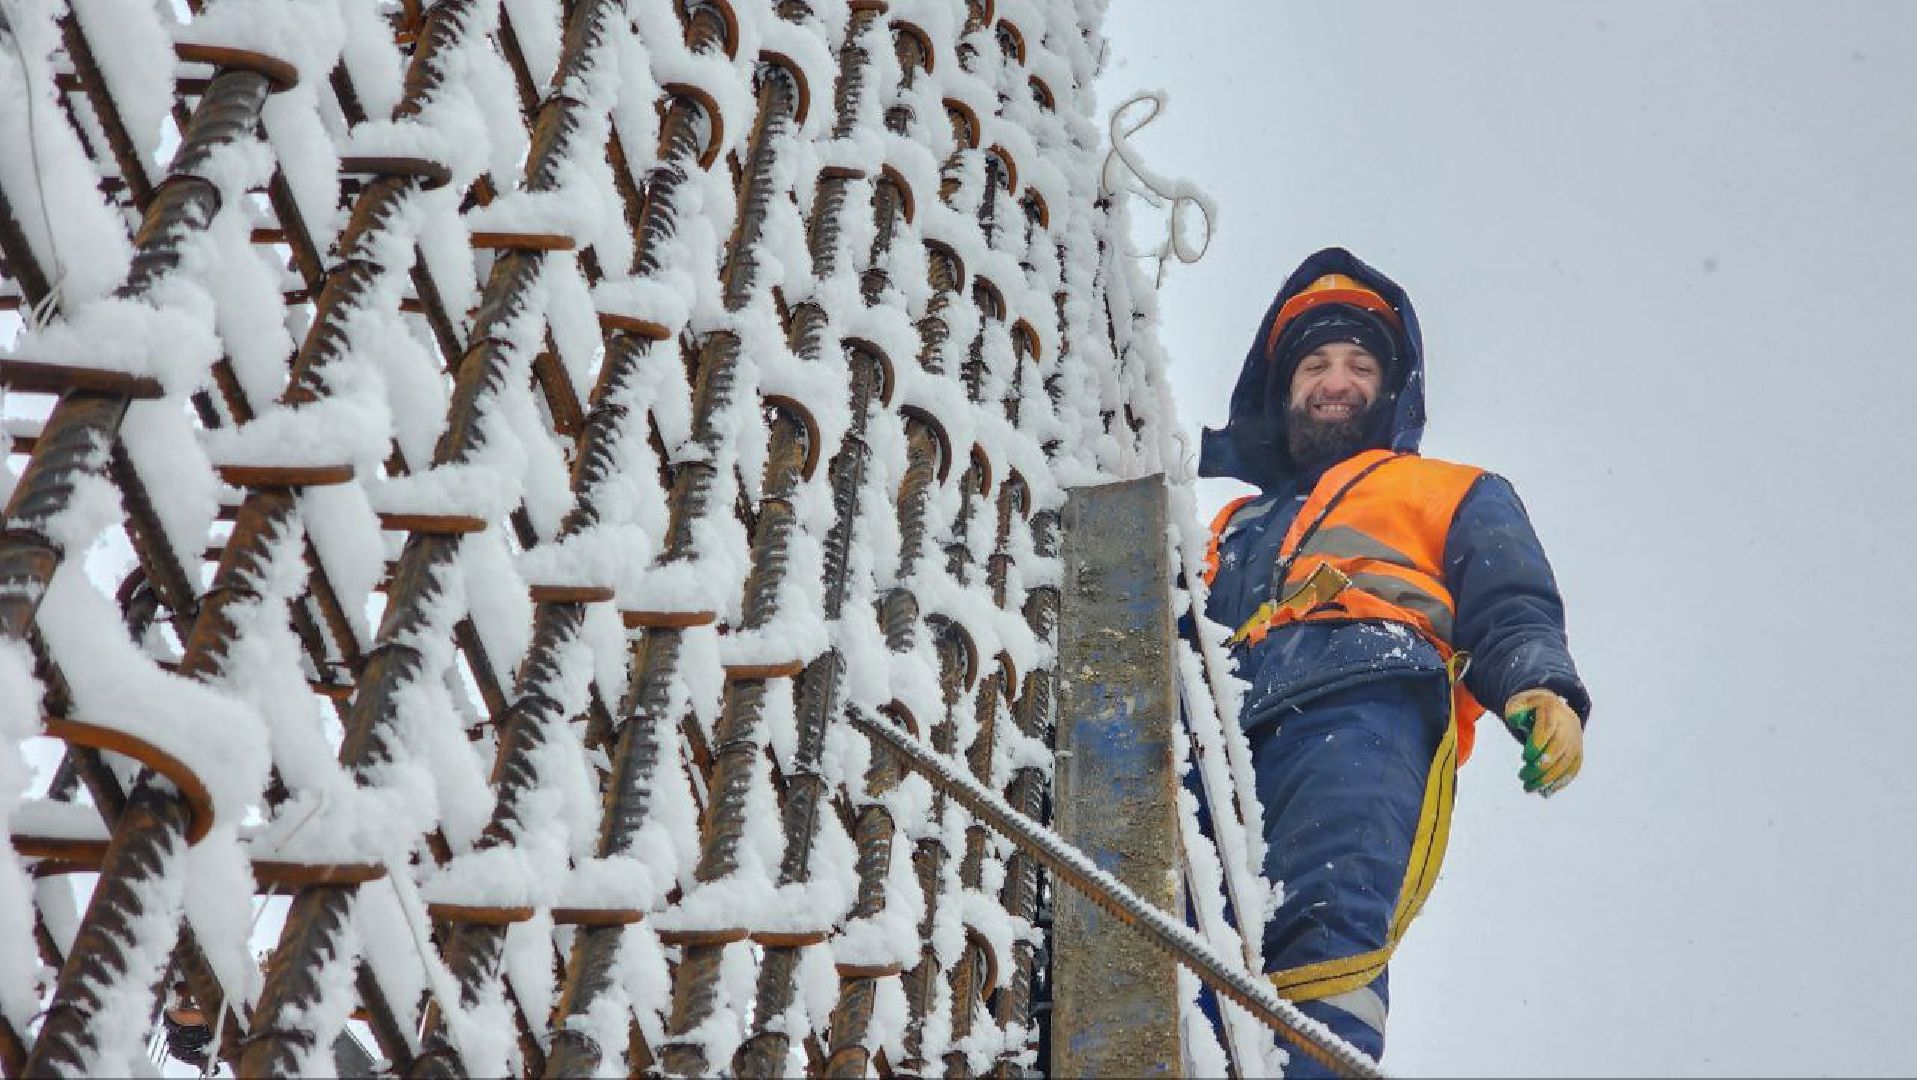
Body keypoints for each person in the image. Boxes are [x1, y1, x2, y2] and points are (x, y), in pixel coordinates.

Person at [1196, 247, 1590, 1072]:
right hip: (1212, 726)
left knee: (1322, 935)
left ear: (1389, 389)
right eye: (1313, 363)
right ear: (1283, 390)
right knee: (1177, 936)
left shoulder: (1452, 488)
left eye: (1358, 363)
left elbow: (1509, 604)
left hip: (1361, 703)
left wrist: (1541, 686)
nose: (1334, 380)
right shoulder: (1228, 524)